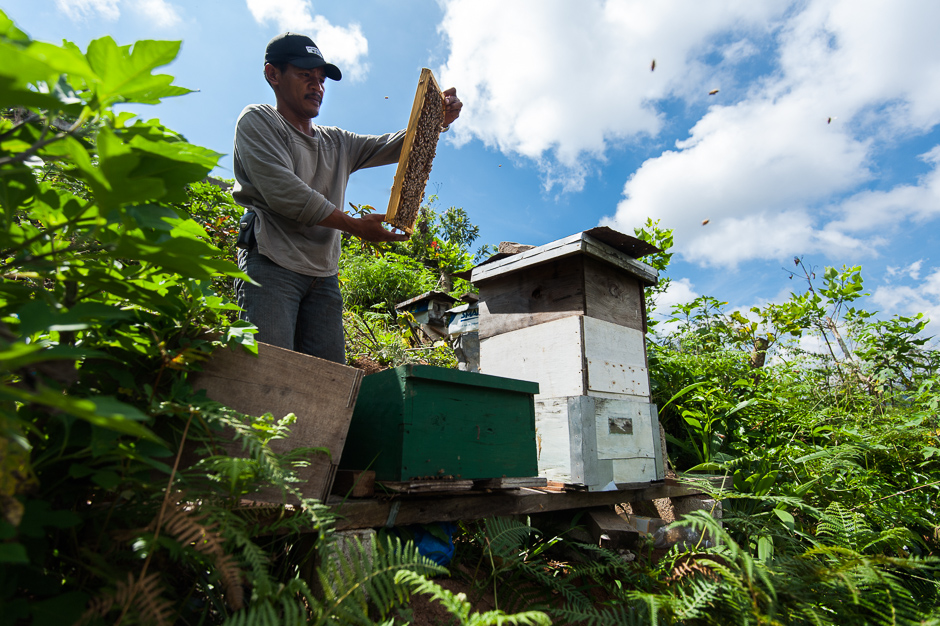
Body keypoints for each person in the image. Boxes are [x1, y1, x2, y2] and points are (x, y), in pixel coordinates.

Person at [232, 32, 462, 363]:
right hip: (271, 261)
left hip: (323, 276)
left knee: (328, 380)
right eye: (305, 75)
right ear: (273, 75)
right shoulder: (259, 121)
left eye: (322, 79)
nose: (317, 86)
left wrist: (436, 120)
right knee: (268, 370)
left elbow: (398, 144)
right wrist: (354, 226)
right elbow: (285, 192)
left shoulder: (336, 141)